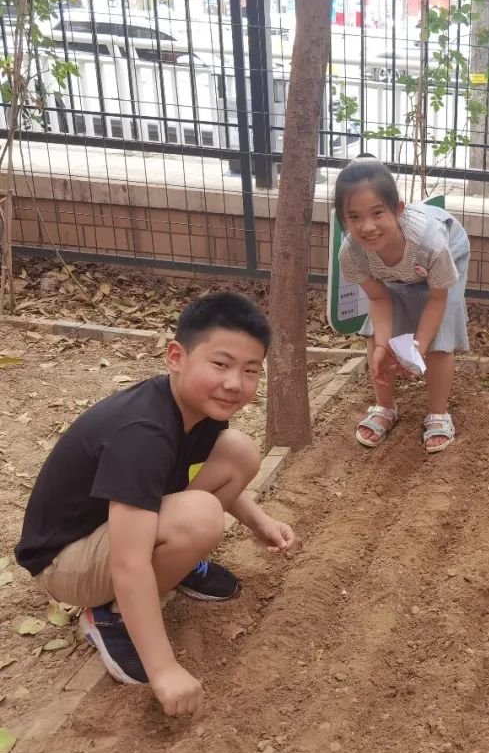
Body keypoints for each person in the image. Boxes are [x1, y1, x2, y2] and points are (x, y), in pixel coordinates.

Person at [14, 292, 297, 716]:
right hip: (64, 562)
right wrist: (164, 669)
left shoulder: (195, 407)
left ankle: (173, 565)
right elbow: (129, 563)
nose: (234, 383)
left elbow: (204, 475)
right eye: (220, 364)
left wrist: (259, 521)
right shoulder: (143, 432)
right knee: (200, 517)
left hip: (109, 533)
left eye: (250, 370)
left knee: (238, 451)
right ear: (176, 357)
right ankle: (109, 616)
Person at [336, 156, 471, 453]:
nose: (367, 226)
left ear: (397, 210)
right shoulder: (352, 254)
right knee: (375, 333)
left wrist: (418, 347)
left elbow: (437, 299)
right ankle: (385, 407)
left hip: (442, 258)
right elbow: (378, 297)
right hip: (398, 272)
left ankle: (438, 413)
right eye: (354, 217)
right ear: (343, 219)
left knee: (439, 332)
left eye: (376, 213)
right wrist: (385, 344)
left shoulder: (431, 243)